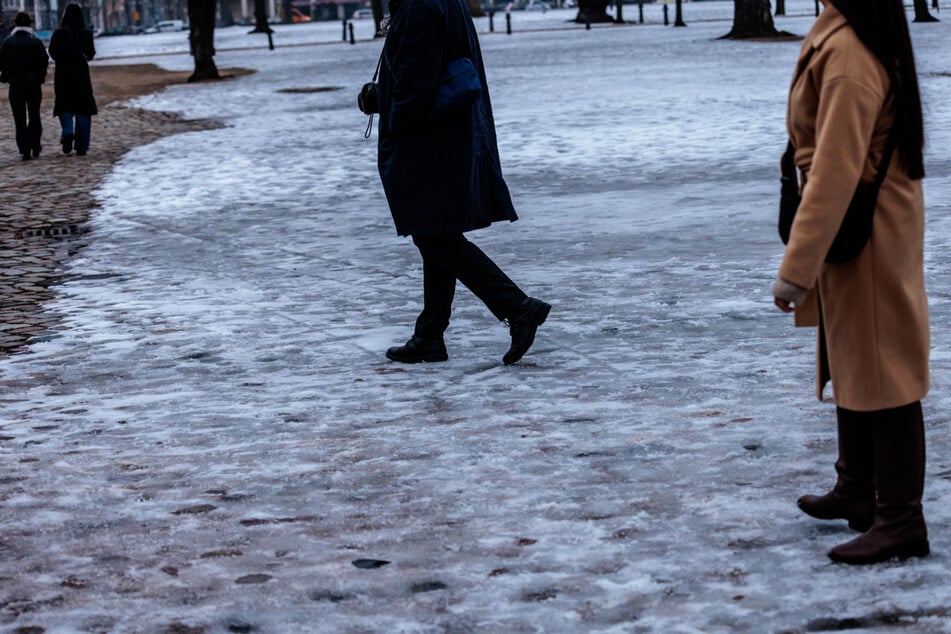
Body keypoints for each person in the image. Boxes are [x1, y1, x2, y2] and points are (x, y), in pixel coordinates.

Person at [772, 0, 930, 565]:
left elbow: (837, 172)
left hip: (864, 229)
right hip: (868, 222)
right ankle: (858, 488)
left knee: (885, 369)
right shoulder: (850, 33)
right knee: (857, 355)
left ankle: (901, 520)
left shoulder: (847, 50)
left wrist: (796, 270)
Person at [375, 0, 550, 365]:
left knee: (433, 234)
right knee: (435, 230)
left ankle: (517, 307)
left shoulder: (420, 7)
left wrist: (388, 106)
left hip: (429, 140)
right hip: (448, 134)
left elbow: (416, 82)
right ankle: (430, 335)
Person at [48, 3, 97, 157]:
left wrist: (62, 59)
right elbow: (91, 54)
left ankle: (68, 130)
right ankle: (81, 146)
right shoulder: (86, 33)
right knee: (83, 107)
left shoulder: (58, 33)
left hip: (63, 73)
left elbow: (52, 52)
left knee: (64, 104)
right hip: (81, 74)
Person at [0, 12, 49, 161]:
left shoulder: (8, 42)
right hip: (33, 84)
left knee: (19, 118)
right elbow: (44, 61)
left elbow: (2, 62)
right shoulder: (36, 42)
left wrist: (6, 75)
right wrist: (40, 77)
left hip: (16, 84)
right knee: (34, 115)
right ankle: (35, 145)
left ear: (15, 24)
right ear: (29, 24)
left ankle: (24, 148)